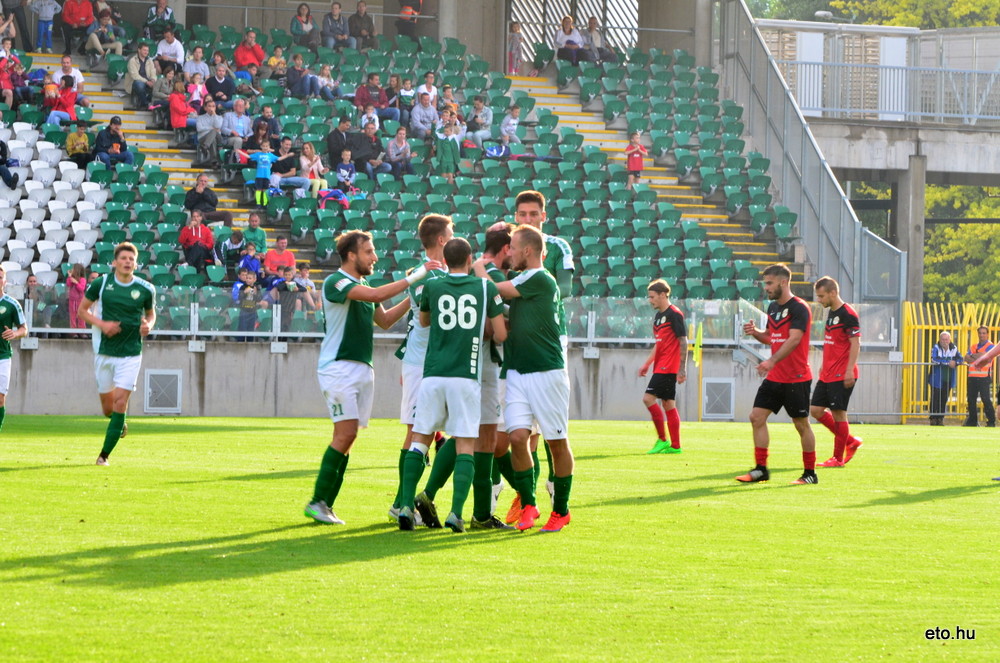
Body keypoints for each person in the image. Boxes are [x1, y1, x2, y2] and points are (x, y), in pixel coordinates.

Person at [304, 230, 441, 525]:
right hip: (338, 367)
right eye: (369, 251)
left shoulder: (363, 284)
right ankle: (318, 501)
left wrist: (414, 300)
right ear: (351, 255)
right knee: (344, 435)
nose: (375, 257)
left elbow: (386, 320)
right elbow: (377, 295)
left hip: (361, 368)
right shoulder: (336, 281)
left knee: (349, 436)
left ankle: (325, 504)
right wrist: (416, 277)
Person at [396, 238, 507, 533]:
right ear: (469, 259)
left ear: (445, 260)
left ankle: (405, 506)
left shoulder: (432, 285)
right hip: (465, 375)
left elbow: (424, 321)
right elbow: (500, 334)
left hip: (433, 373)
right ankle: (456, 513)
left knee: (420, 439)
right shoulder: (484, 287)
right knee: (466, 444)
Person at [472, 224, 574, 533]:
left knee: (556, 443)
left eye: (514, 248)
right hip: (516, 371)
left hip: (547, 372)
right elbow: (505, 309)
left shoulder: (540, 278)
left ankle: (561, 510)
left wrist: (480, 267)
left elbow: (495, 289)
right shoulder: (525, 282)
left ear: (527, 251)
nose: (510, 254)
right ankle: (529, 504)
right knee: (517, 437)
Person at [388, 214, 451, 524]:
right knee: (415, 431)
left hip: (432, 362)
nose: (453, 238)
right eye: (450, 234)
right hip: (423, 362)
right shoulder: (425, 275)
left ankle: (406, 502)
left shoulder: (430, 272)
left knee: (427, 431)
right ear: (441, 239)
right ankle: (401, 503)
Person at [78, 243, 156, 466]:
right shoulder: (101, 284)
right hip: (104, 352)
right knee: (108, 409)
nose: (127, 262)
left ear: (136, 264)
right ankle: (119, 423)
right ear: (114, 262)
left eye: (131, 259)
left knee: (121, 403)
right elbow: (82, 311)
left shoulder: (145, 289)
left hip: (131, 353)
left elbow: (151, 315)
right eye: (123, 258)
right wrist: (102, 324)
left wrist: (148, 325)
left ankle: (103, 456)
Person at [738, 263, 817, 485]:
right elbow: (771, 337)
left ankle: (810, 474)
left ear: (783, 282)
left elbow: (794, 339)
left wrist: (772, 360)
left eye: (770, 283)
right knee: (756, 417)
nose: (766, 287)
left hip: (796, 377)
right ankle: (761, 469)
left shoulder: (799, 308)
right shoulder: (773, 308)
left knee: (801, 424)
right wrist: (755, 333)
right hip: (775, 377)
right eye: (765, 283)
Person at [810, 276, 865, 467]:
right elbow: (833, 342)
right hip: (828, 373)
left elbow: (855, 343)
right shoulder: (832, 313)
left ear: (833, 293)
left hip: (842, 373)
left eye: (821, 296)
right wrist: (824, 364)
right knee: (816, 410)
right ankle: (850, 441)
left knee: (838, 413)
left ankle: (838, 458)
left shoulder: (848, 314)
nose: (819, 300)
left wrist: (849, 370)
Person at [638, 280, 687, 455]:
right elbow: (659, 344)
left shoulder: (675, 314)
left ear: (663, 295)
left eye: (652, 297)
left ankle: (662, 439)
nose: (650, 300)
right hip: (660, 365)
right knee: (668, 404)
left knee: (648, 398)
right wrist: (647, 364)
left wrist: (682, 369)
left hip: (668, 367)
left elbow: (683, 341)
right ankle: (675, 446)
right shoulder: (658, 317)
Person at [0, 266, 26, 432]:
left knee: (0, 399)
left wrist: (14, 333)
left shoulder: (12, 304)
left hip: (2, 356)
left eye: (0, 277)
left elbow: (24, 329)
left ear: (5, 281)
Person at [963, 326, 996, 428]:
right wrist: (978, 356)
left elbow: (985, 356)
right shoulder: (973, 346)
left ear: (987, 334)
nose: (981, 335)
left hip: (984, 377)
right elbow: (966, 358)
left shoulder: (991, 346)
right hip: (972, 376)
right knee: (971, 400)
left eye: (984, 333)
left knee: (985, 399)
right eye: (980, 333)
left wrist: (973, 356)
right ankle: (972, 421)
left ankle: (991, 421)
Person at [929, 331, 962, 426]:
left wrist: (955, 363)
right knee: (935, 398)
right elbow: (934, 359)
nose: (944, 341)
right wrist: (948, 362)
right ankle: (933, 418)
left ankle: (940, 418)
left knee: (944, 399)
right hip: (936, 378)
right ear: (939, 340)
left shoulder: (954, 348)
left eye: (946, 339)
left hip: (948, 378)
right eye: (943, 339)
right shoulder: (936, 348)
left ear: (949, 340)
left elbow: (960, 359)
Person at [125, 43, 157, 109]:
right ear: (139, 50)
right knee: (139, 84)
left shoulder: (149, 60)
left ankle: (150, 103)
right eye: (144, 50)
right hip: (135, 82)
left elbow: (153, 72)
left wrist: (153, 80)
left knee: (158, 84)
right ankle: (146, 104)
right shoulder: (132, 61)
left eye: (147, 50)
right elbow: (135, 76)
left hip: (148, 81)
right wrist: (146, 82)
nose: (146, 52)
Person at [195, 99, 223, 167]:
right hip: (203, 137)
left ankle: (205, 146)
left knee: (214, 133)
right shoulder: (200, 118)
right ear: (205, 108)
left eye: (213, 106)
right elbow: (199, 129)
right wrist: (210, 128)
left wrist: (214, 115)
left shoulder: (219, 117)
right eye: (209, 106)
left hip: (218, 137)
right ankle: (214, 161)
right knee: (213, 137)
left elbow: (218, 126)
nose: (211, 108)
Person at [67, 263, 88, 330]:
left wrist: (76, 283)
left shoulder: (82, 279)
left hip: (80, 300)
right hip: (72, 300)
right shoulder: (71, 279)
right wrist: (70, 276)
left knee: (81, 316)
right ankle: (73, 330)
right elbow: (68, 284)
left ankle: (82, 330)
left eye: (73, 268)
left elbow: (81, 289)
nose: (72, 269)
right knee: (72, 315)